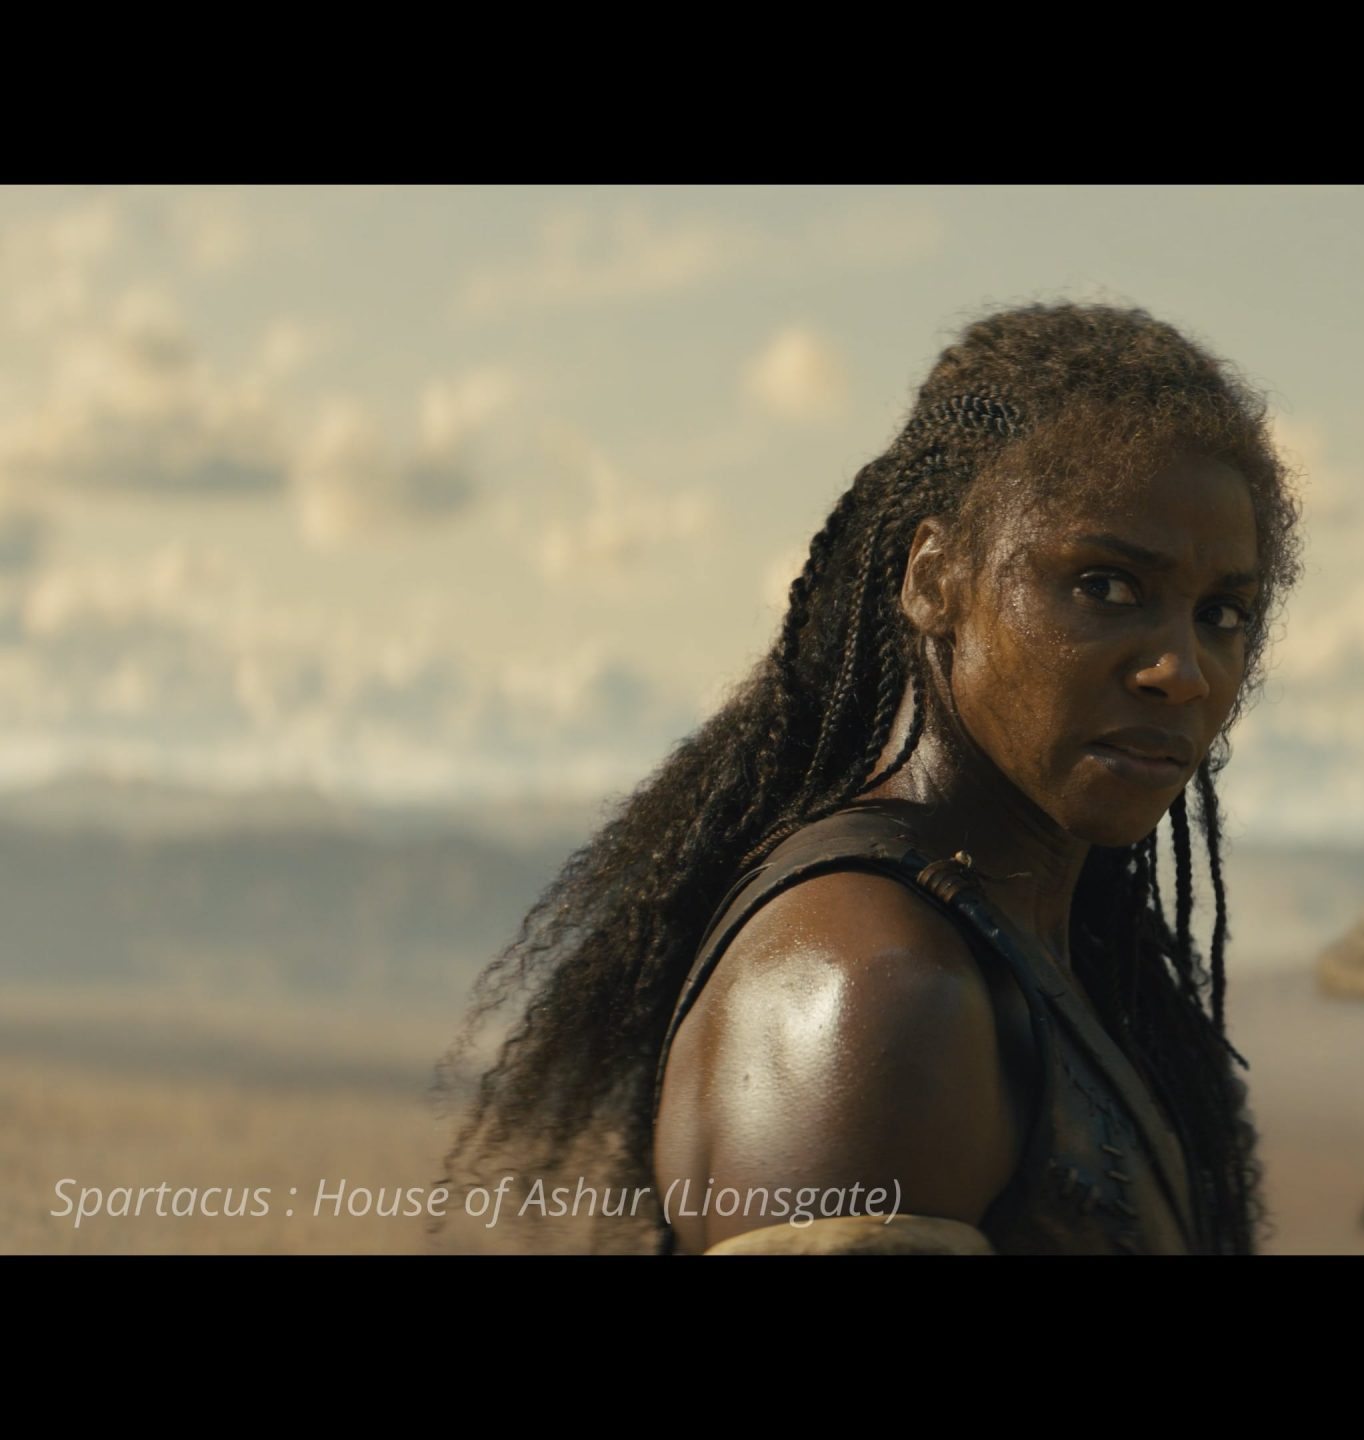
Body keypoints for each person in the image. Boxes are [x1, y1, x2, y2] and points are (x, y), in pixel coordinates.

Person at [437, 303, 1302, 1255]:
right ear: (935, 579)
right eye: (1105, 586)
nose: (1182, 669)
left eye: (1222, 613)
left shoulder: (1022, 946)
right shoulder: (878, 992)